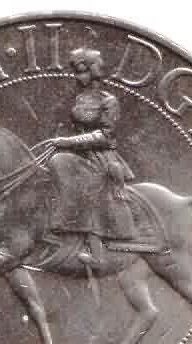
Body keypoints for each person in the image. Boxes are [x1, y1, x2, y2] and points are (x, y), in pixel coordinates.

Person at [49, 47, 135, 268]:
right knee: (55, 163)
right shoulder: (79, 98)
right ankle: (59, 227)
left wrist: (68, 142)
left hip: (102, 158)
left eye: (81, 70)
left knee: (90, 185)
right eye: (97, 62)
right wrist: (61, 138)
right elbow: (73, 126)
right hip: (79, 154)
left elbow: (106, 136)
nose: (102, 65)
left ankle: (96, 253)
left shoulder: (109, 101)